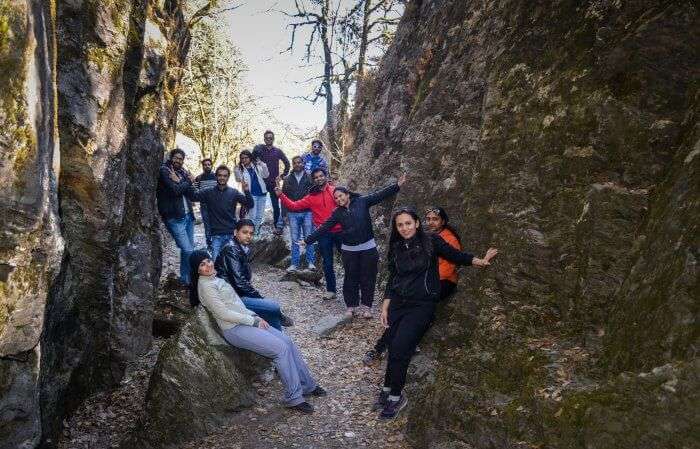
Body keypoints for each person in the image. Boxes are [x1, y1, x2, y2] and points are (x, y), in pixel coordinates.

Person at [373, 207, 498, 419]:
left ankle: (396, 396)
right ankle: (386, 390)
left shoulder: (431, 241)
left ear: (417, 223)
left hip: (422, 305)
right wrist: (386, 305)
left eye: (408, 223)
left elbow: (455, 255)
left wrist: (481, 261)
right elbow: (393, 278)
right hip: (398, 303)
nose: (404, 228)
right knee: (393, 345)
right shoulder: (395, 247)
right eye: (400, 225)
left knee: (401, 347)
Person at [189, 250, 326, 414]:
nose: (208, 265)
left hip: (246, 321)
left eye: (208, 261)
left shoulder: (215, 279)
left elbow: (237, 304)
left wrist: (255, 316)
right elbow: (224, 314)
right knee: (280, 349)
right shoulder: (206, 286)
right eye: (202, 264)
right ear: (197, 270)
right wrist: (253, 321)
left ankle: (307, 385)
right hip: (234, 329)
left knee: (287, 342)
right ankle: (294, 397)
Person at [363, 206, 462, 365]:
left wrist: (423, 279)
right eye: (428, 219)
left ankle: (397, 344)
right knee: (397, 313)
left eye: (435, 219)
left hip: (442, 281)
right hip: (422, 282)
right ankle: (381, 347)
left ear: (443, 221)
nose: (431, 222)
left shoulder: (447, 238)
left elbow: (451, 263)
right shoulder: (422, 238)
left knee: (418, 310)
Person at [302, 174, 406, 318]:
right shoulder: (337, 213)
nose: (339, 200)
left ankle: (367, 307)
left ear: (347, 194)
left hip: (368, 248)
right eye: (336, 198)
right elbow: (324, 227)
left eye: (340, 196)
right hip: (349, 251)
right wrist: (307, 240)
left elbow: (379, 195)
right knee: (350, 278)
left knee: (368, 277)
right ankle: (351, 306)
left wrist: (397, 186)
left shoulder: (362, 202)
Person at [275, 168, 341, 300]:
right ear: (313, 180)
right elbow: (294, 206)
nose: (319, 178)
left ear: (325, 176)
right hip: (323, 233)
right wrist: (281, 195)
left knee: (349, 260)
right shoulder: (311, 197)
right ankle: (331, 290)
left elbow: (349, 200)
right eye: (316, 177)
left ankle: (354, 288)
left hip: (341, 231)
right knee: (327, 262)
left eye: (321, 176)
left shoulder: (335, 191)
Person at [215, 219, 295, 330]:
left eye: (251, 233)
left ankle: (278, 339)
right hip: (233, 297)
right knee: (274, 307)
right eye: (245, 232)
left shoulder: (240, 247)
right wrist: (258, 297)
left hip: (237, 293)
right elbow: (239, 282)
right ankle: (278, 328)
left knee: (271, 312)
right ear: (235, 232)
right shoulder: (231, 250)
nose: (248, 236)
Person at [190, 165, 253, 261]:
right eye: (220, 175)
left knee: (232, 264)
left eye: (225, 175)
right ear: (216, 176)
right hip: (216, 236)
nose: (222, 178)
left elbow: (250, 204)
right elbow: (193, 197)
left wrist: (247, 191)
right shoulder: (208, 192)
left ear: (228, 177)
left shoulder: (234, 192)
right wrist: (191, 183)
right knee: (215, 265)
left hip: (231, 235)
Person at [157, 148, 196, 285]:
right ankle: (188, 279)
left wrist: (182, 182)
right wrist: (186, 182)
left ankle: (186, 279)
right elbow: (175, 190)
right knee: (188, 249)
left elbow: (192, 193)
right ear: (171, 157)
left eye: (181, 159)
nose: (179, 161)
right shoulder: (164, 171)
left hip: (188, 216)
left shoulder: (182, 172)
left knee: (190, 249)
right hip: (174, 217)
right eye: (177, 158)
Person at [282, 156, 316, 272]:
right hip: (292, 213)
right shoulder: (287, 179)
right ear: (292, 164)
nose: (297, 164)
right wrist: (284, 214)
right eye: (295, 163)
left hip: (307, 212)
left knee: (309, 238)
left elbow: (314, 195)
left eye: (299, 162)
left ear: (303, 163)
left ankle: (311, 263)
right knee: (294, 239)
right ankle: (294, 264)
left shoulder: (310, 177)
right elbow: (283, 197)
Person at [253, 130, 290, 235]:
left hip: (274, 183)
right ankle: (256, 229)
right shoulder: (260, 150)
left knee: (275, 206)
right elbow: (253, 158)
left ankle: (276, 227)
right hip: (262, 183)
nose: (268, 139)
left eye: (270, 138)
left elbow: (287, 164)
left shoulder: (278, 151)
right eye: (266, 138)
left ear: (273, 139)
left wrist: (282, 176)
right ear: (264, 139)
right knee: (259, 206)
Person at [234, 150, 269, 235]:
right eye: (242, 158)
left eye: (246, 158)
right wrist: (235, 170)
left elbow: (266, 175)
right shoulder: (240, 169)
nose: (244, 160)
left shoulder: (257, 166)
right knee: (252, 216)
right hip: (251, 195)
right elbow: (238, 179)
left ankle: (256, 232)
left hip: (262, 193)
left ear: (250, 158)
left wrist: (263, 165)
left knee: (259, 216)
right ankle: (251, 233)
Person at [194, 158, 218, 247]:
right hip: (204, 206)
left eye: (209, 164)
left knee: (216, 224)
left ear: (211, 165)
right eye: (205, 164)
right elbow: (196, 191)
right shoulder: (199, 178)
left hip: (216, 206)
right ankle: (209, 244)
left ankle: (216, 243)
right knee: (207, 226)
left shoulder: (216, 176)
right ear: (202, 166)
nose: (207, 166)